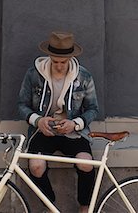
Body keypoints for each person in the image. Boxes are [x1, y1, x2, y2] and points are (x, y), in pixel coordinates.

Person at [18, 31, 99, 213]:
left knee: (86, 164)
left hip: (73, 132)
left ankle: (85, 207)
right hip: (43, 131)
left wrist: (75, 123)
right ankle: (50, 206)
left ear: (70, 58)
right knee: (36, 166)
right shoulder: (34, 74)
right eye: (55, 62)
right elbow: (22, 105)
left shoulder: (83, 77)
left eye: (64, 62)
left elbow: (93, 109)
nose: (60, 66)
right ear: (49, 57)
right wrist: (38, 121)